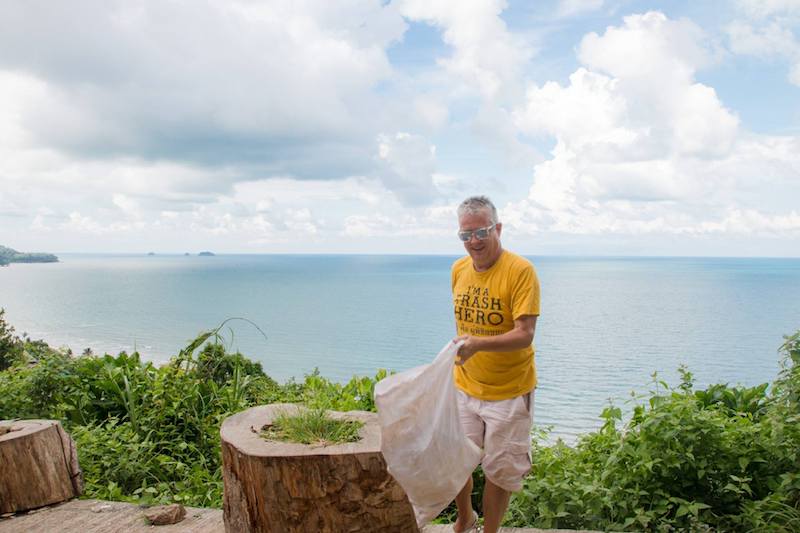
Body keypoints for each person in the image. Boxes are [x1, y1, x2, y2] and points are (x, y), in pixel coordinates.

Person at [450, 196, 540, 533]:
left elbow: (525, 334)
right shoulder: (458, 269)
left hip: (510, 392)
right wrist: (463, 349)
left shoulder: (520, 271)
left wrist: (478, 345)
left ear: (497, 228)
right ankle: (465, 518)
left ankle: (490, 532)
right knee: (456, 461)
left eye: (481, 232)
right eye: (465, 235)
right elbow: (465, 326)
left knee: (499, 471)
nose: (473, 242)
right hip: (466, 385)